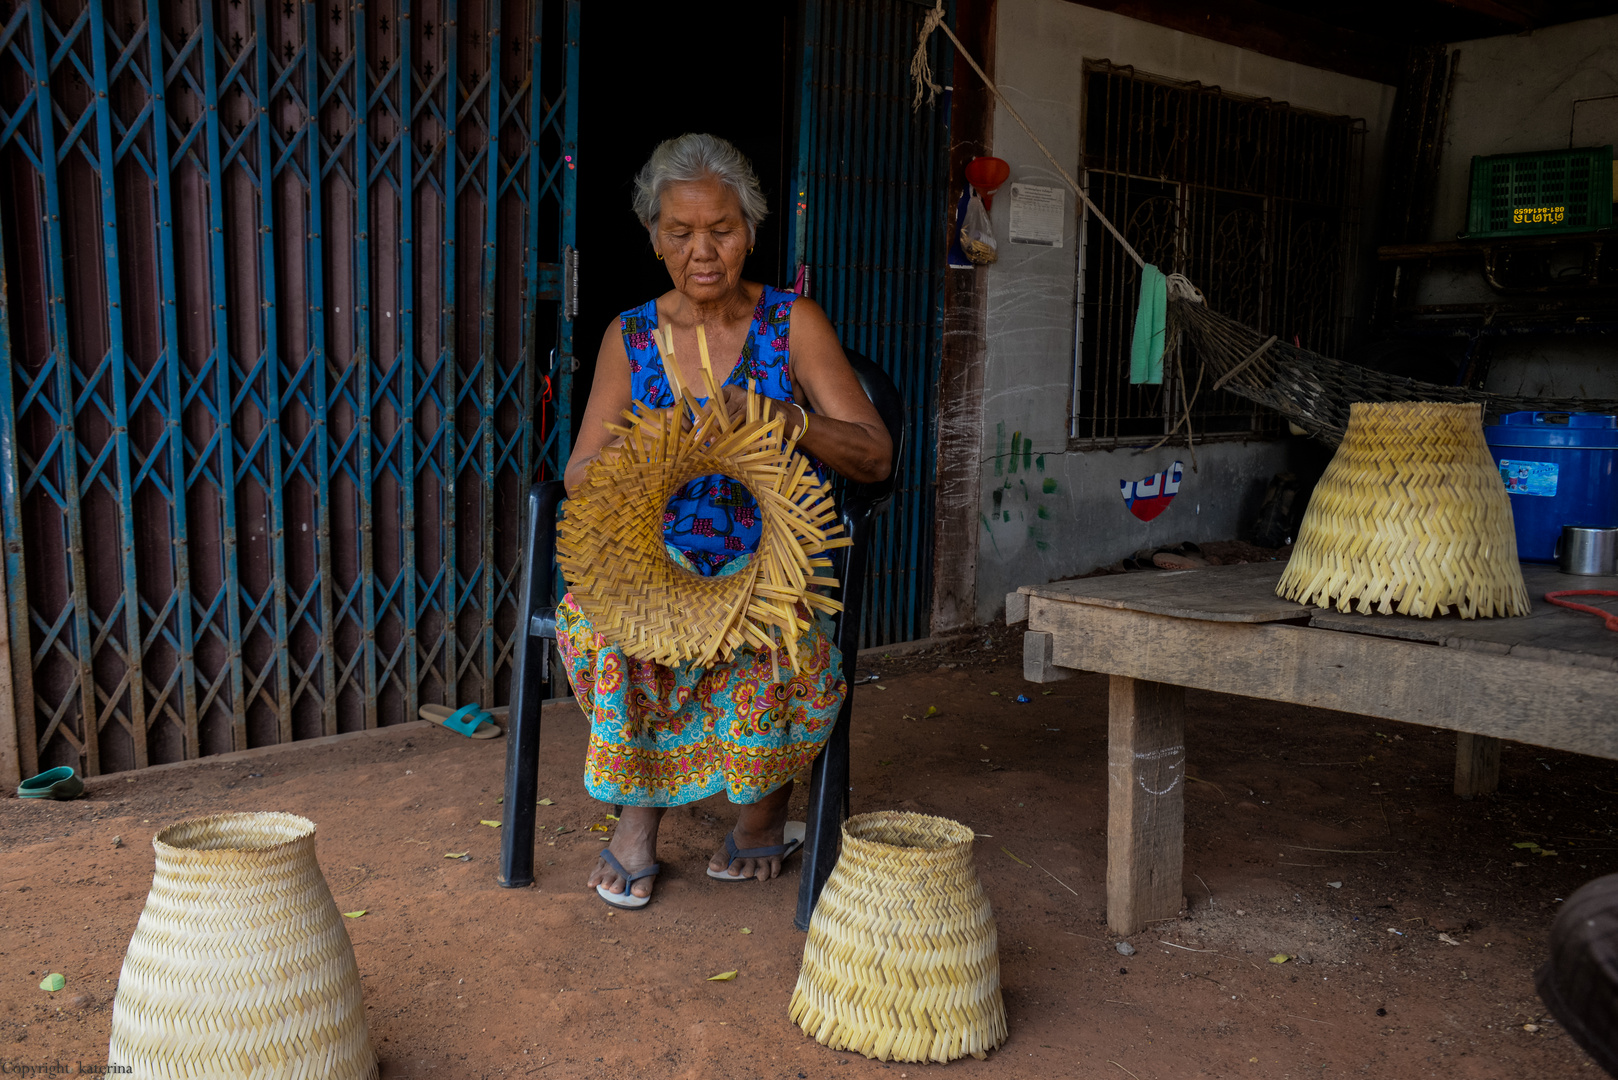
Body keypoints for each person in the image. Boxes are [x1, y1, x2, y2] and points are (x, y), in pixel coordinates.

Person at [558, 133, 892, 909]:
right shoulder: (630, 337)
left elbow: (875, 455)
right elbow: (579, 474)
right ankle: (639, 819)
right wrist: (651, 447)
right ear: (653, 236)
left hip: (772, 562)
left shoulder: (790, 323)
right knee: (608, 624)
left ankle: (761, 811)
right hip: (658, 560)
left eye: (723, 230)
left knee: (778, 634)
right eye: (680, 233)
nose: (703, 251)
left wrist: (786, 419)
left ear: (752, 228)